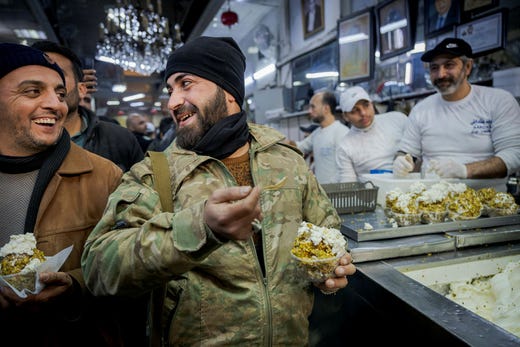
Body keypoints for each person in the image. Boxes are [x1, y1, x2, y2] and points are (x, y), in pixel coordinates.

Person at [81, 36, 356, 346]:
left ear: (228, 93)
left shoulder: (284, 157)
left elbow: (326, 229)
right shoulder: (157, 172)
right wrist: (200, 228)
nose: (172, 102)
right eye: (171, 89)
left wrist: (328, 272)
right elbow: (99, 267)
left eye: (186, 84)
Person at [0, 42, 124, 346]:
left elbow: (131, 273)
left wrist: (74, 287)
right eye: (32, 91)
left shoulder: (104, 177)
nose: (56, 104)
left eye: (59, 92)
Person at [393, 38, 520, 181]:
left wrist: (465, 170)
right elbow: (406, 152)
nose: (441, 74)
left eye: (449, 65)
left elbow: (514, 154)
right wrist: (401, 161)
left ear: (467, 67)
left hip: (486, 199)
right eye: (434, 68)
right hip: (430, 198)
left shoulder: (498, 101)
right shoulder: (421, 110)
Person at [31, 40, 144, 172]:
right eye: (35, 77)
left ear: (81, 89)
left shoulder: (120, 139)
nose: (45, 83)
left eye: (58, 74)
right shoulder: (16, 139)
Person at [336, 86, 408, 182]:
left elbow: (418, 149)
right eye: (354, 110)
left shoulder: (398, 120)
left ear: (372, 104)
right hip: (375, 193)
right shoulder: (345, 146)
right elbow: (348, 184)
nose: (363, 113)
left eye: (366, 105)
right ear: (345, 116)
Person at [288, 90, 350, 184]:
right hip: (322, 192)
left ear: (326, 109)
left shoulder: (341, 132)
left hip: (337, 193)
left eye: (313, 107)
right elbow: (299, 147)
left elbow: (346, 171)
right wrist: (278, 140)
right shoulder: (316, 134)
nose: (310, 111)